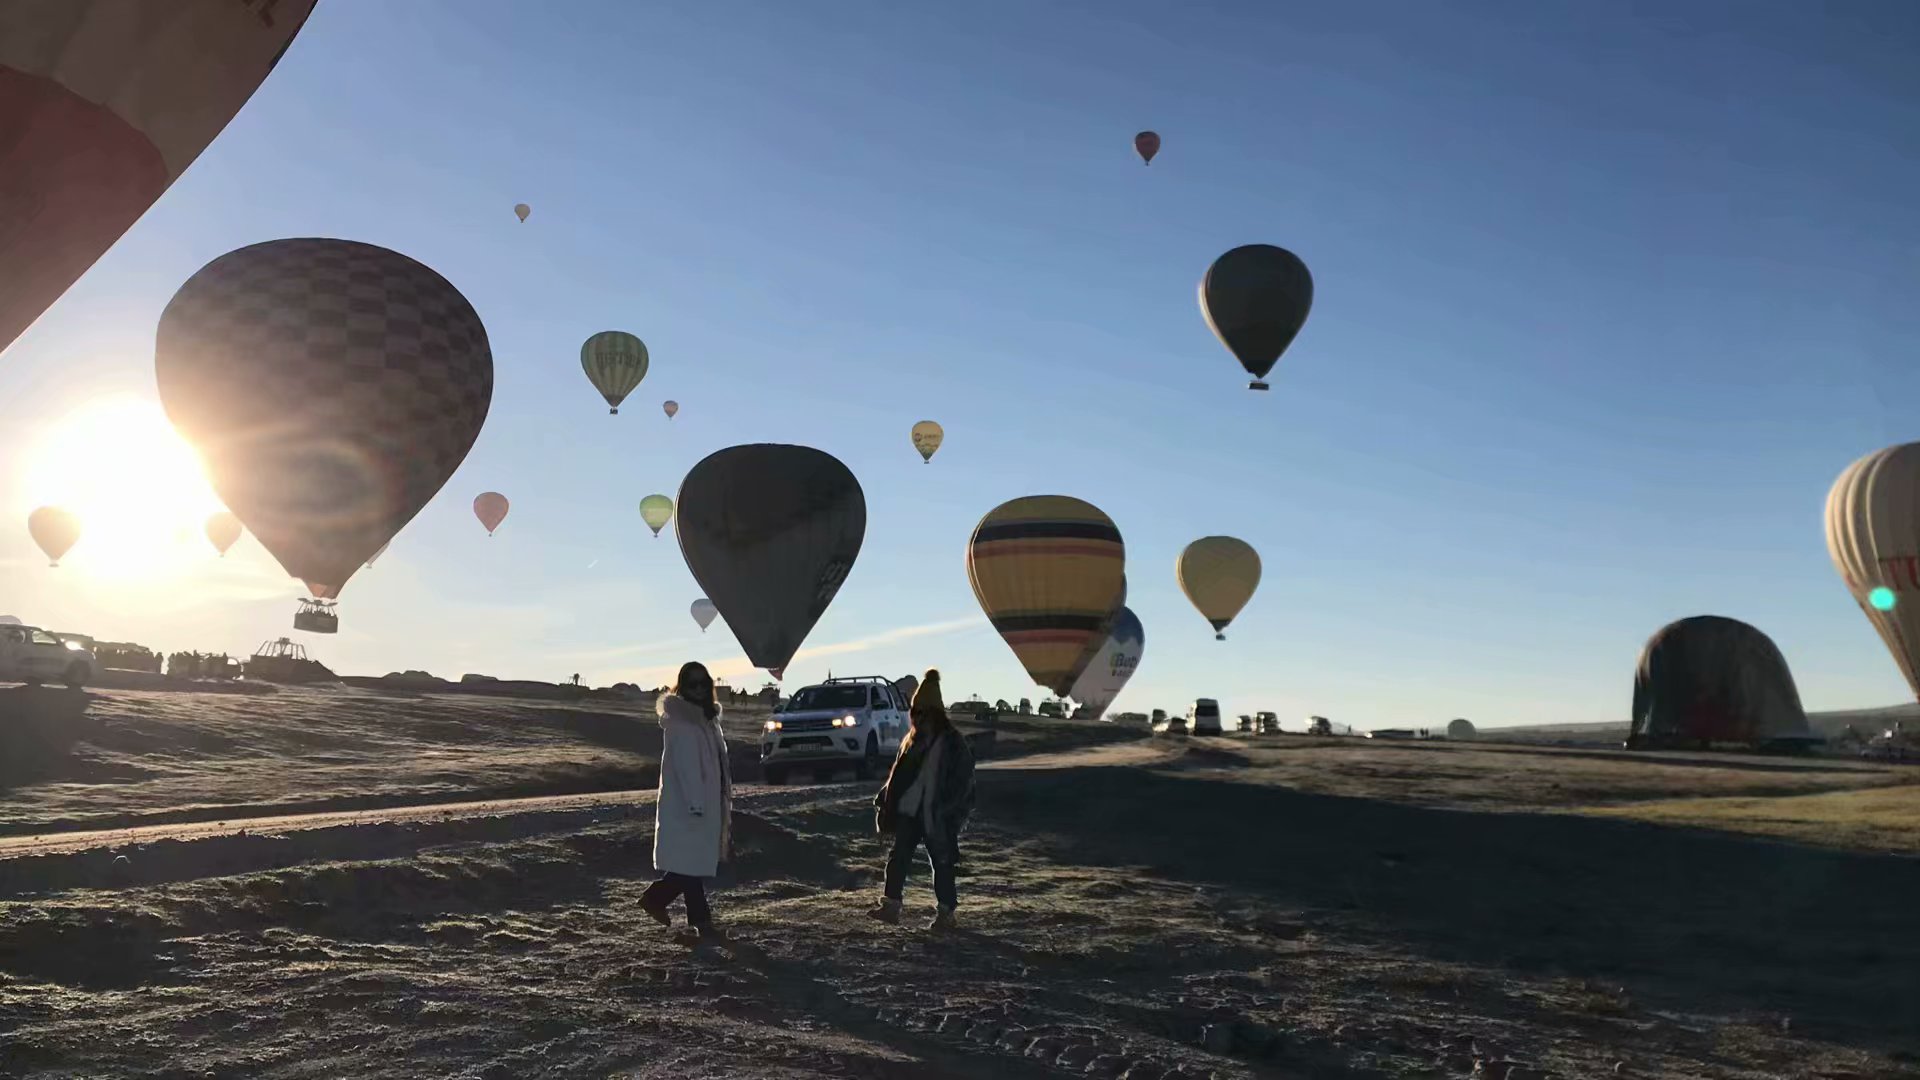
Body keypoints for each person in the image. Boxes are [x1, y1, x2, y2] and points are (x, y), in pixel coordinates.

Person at [869, 668, 976, 930]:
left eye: (922, 713)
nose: (917, 719)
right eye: (915, 713)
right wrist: (886, 798)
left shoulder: (952, 743)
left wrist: (949, 810)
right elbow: (899, 775)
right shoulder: (911, 741)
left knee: (942, 862)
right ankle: (890, 906)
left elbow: (962, 781)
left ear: (934, 714)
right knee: (899, 858)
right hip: (911, 810)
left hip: (937, 813)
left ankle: (946, 914)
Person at [639, 661, 734, 940]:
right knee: (690, 865)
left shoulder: (706, 719)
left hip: (703, 802)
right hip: (690, 804)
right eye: (692, 684)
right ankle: (660, 901)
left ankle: (699, 921)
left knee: (693, 864)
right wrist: (695, 803)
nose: (698, 689)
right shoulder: (681, 722)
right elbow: (685, 766)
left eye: (703, 683)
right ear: (681, 686)